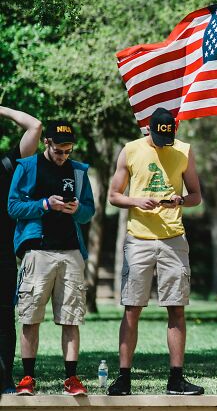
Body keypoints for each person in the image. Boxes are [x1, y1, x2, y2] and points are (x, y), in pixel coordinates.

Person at [107, 108, 203, 396]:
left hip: (173, 238)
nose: (164, 143)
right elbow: (113, 195)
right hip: (139, 239)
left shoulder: (184, 150)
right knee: (132, 308)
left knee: (176, 308)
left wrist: (180, 200)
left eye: (168, 138)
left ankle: (176, 378)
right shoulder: (130, 150)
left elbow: (197, 196)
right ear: (149, 130)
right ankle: (124, 378)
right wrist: (138, 201)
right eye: (159, 138)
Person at [8, 120, 95, 396]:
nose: (63, 157)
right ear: (47, 143)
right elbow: (13, 206)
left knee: (71, 318)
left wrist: (76, 209)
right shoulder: (27, 167)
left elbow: (89, 212)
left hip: (71, 252)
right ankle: (28, 378)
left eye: (68, 151)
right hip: (38, 251)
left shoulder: (79, 172)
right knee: (30, 317)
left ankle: (71, 378)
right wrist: (46, 204)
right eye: (59, 151)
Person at [0, 106, 42, 394]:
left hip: (2, 255)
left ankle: (4, 381)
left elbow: (35, 127)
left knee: (4, 319)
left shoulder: (6, 164)